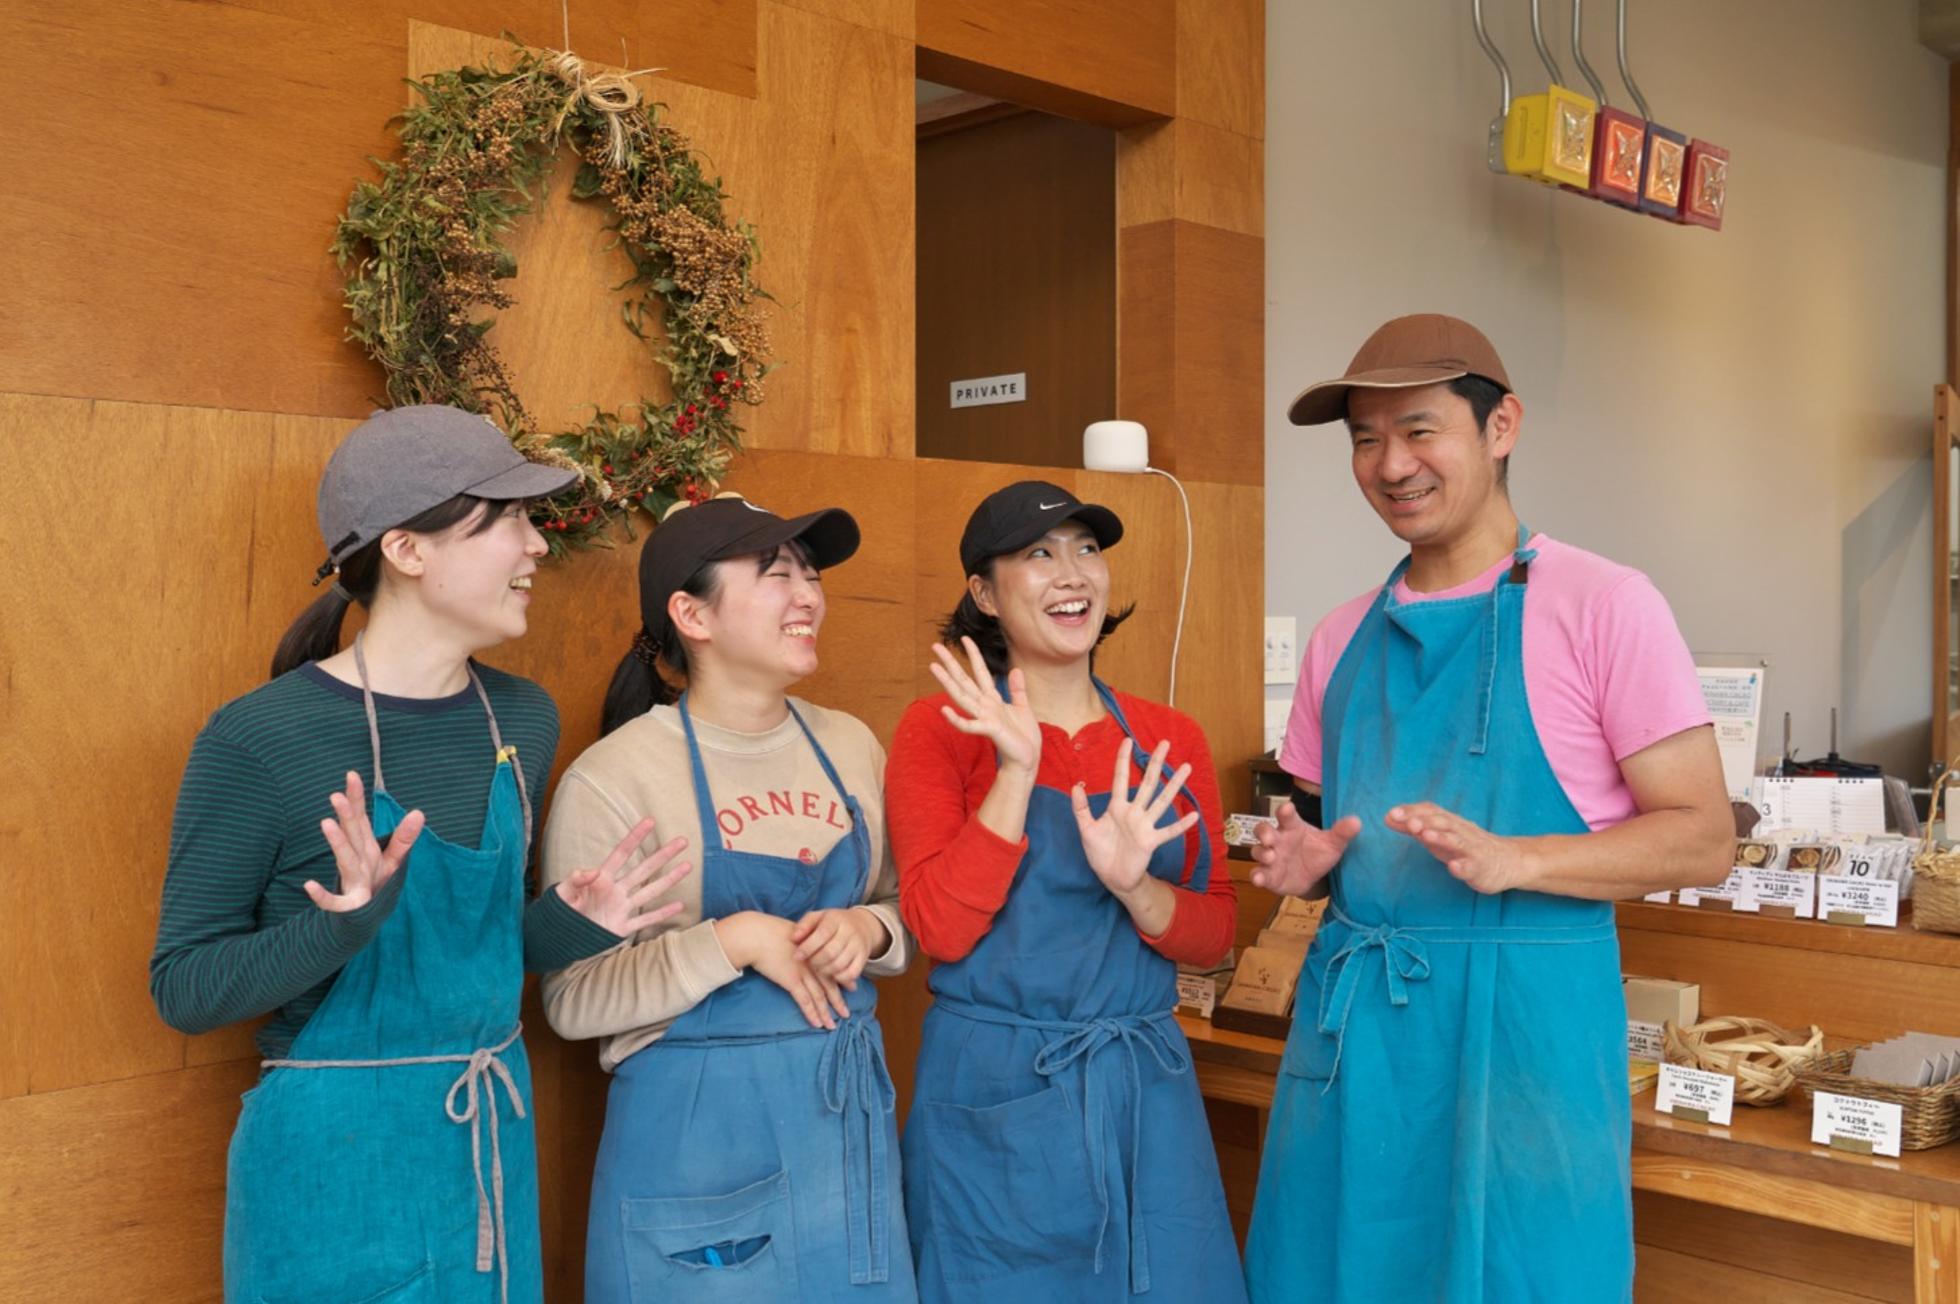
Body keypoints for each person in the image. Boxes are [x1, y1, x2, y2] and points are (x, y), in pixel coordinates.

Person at [150, 405, 690, 1304]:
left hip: (486, 1151)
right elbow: (185, 991)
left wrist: (568, 925)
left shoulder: (522, 719)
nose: (538, 546)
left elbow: (471, 953)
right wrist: (340, 928)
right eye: (508, 519)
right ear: (406, 550)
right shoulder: (258, 740)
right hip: (330, 1181)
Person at [1242, 315, 1734, 1302]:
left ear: (1500, 425)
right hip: (1358, 1037)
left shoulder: (1605, 605)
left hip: (1527, 1040)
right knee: (1333, 1273)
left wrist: (1522, 860)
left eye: (1419, 430)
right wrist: (1308, 866)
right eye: (1366, 439)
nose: (1391, 464)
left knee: (1523, 1272)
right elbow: (1330, 837)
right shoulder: (1341, 637)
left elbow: (1704, 837)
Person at [541, 493, 918, 1303]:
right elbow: (571, 1001)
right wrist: (734, 939)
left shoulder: (851, 744)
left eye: (812, 575)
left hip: (844, 1146)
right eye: (777, 574)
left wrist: (869, 930)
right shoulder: (614, 778)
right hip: (697, 1163)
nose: (808, 595)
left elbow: (902, 910)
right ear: (692, 614)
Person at [887, 480, 1248, 1303]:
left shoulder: (1168, 738)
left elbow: (1214, 934)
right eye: (1039, 555)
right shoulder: (939, 731)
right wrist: (1016, 772)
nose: (1073, 573)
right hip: (997, 1094)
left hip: (1144, 1094)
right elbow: (938, 927)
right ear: (984, 593)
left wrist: (1136, 888)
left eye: (1087, 550)